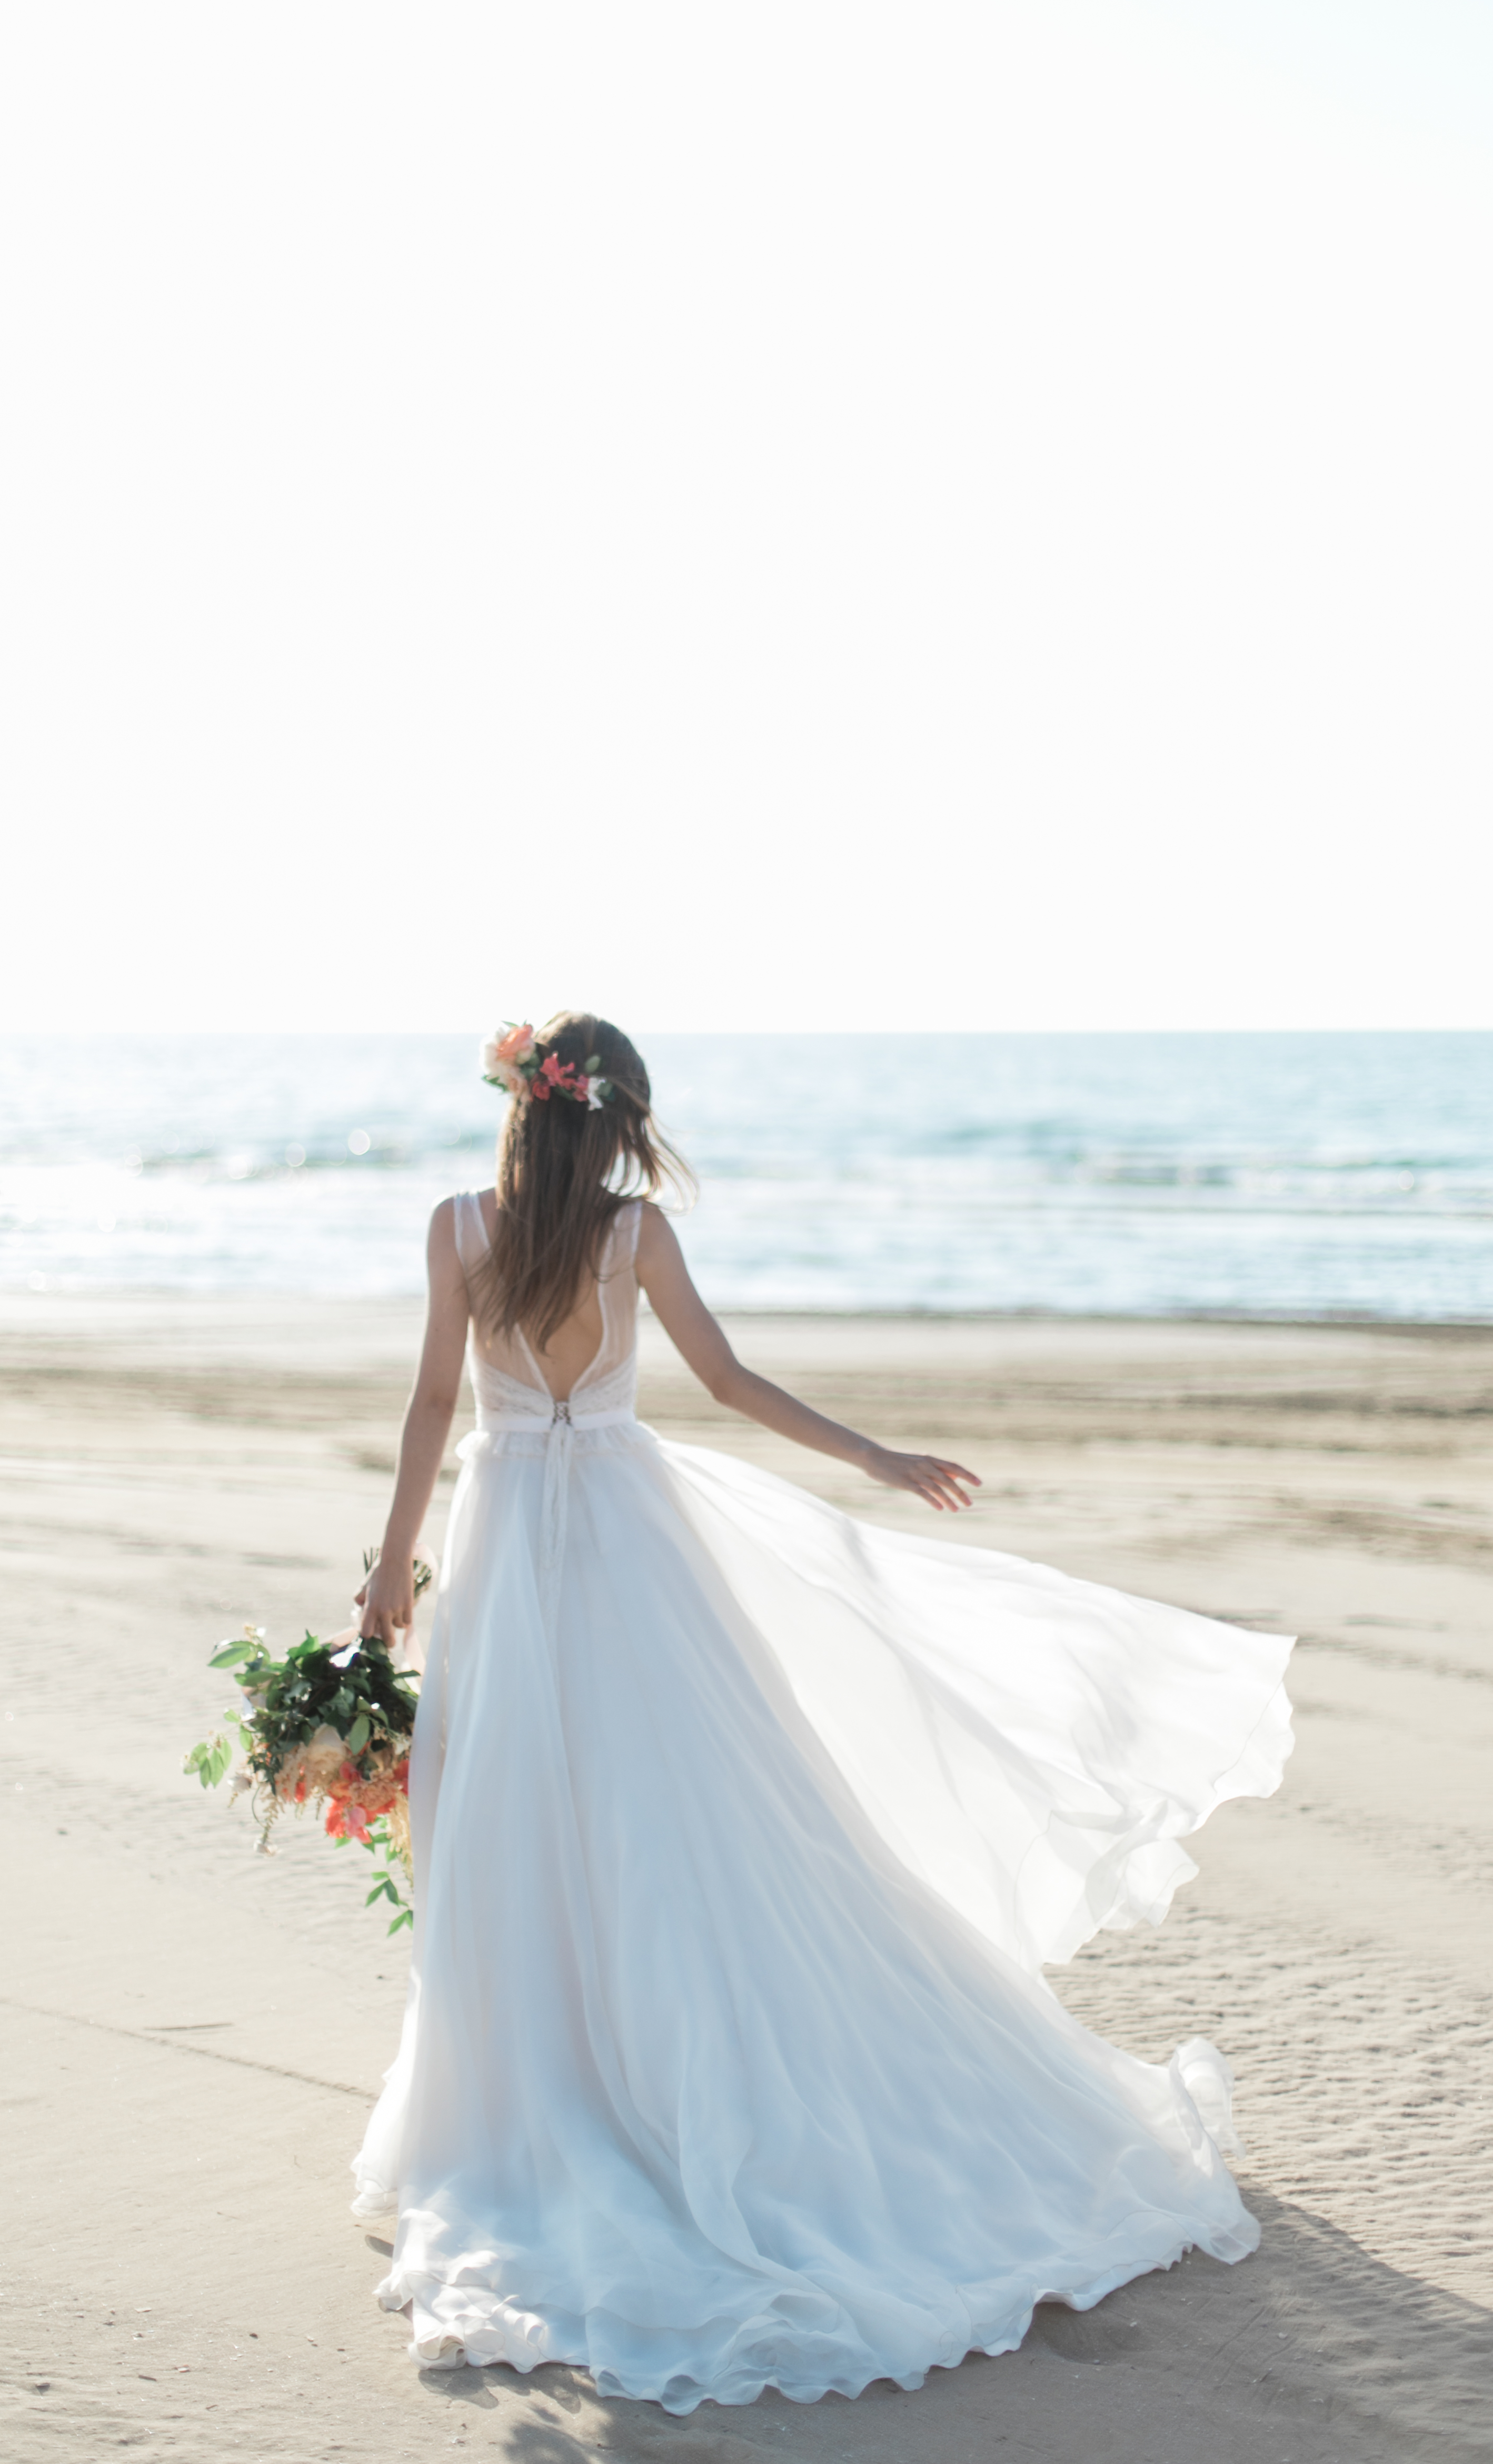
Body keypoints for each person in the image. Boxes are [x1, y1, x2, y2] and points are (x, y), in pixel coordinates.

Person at [349, 1012, 1293, 2414]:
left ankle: (543, 2088)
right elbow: (728, 1383)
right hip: (621, 1537)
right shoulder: (633, 1236)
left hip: (503, 1538)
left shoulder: (458, 1227)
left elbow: (437, 1401)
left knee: (516, 1811)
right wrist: (873, 1455)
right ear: (610, 1119)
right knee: (672, 1809)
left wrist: (391, 1567)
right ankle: (646, 2070)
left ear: (523, 1106)